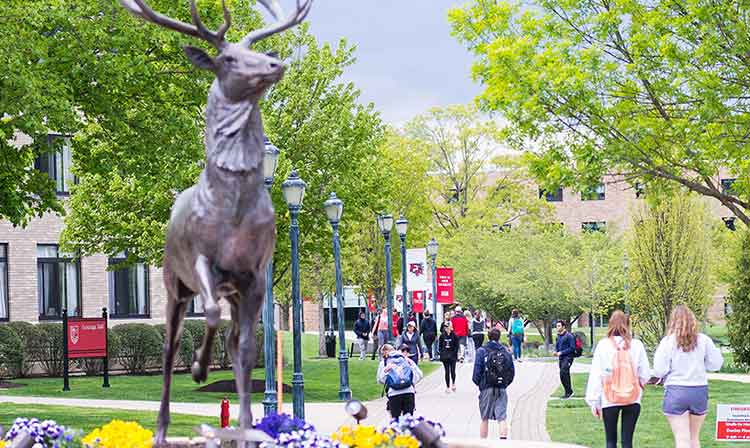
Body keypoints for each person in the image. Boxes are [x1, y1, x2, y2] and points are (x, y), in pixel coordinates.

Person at [653, 305, 724, 448]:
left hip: (676, 391)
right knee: (694, 439)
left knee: (682, 439)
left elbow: (659, 370)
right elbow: (715, 365)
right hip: (699, 390)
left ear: (673, 321)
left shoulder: (668, 342)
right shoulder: (704, 340)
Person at [585, 310, 651, 448]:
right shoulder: (637, 345)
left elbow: (596, 374)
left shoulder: (603, 345)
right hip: (632, 398)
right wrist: (640, 385)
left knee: (610, 441)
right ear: (628, 325)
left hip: (610, 397)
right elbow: (645, 373)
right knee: (627, 441)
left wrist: (594, 400)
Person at [473, 328, 515, 440]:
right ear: (499, 337)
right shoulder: (505, 351)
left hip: (486, 386)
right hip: (501, 387)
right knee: (502, 417)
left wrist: (480, 384)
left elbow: (476, 373)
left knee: (484, 418)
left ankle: (483, 444)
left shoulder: (481, 351)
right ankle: (503, 442)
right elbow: (511, 372)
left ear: (488, 336)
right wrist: (505, 383)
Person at [377, 343, 423, 419]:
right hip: (409, 392)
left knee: (395, 421)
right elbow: (420, 375)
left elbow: (380, 380)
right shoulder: (406, 360)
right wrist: (410, 382)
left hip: (394, 393)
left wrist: (387, 374)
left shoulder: (384, 363)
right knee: (409, 421)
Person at [554, 320, 576, 399]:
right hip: (561, 358)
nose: (557, 327)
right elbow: (557, 346)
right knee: (562, 375)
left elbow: (572, 348)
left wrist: (562, 352)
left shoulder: (569, 336)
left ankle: (569, 392)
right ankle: (568, 392)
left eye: (559, 326)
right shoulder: (558, 336)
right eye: (557, 326)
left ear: (563, 327)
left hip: (568, 358)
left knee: (564, 372)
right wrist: (556, 352)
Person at [438, 321, 459, 393]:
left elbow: (456, 346)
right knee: (447, 371)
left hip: (452, 355)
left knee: (453, 370)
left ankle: (453, 383)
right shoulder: (442, 336)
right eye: (445, 327)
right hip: (445, 356)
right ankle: (447, 386)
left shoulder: (454, 335)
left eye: (447, 327)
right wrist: (442, 353)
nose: (446, 328)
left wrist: (454, 354)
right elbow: (440, 346)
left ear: (451, 327)